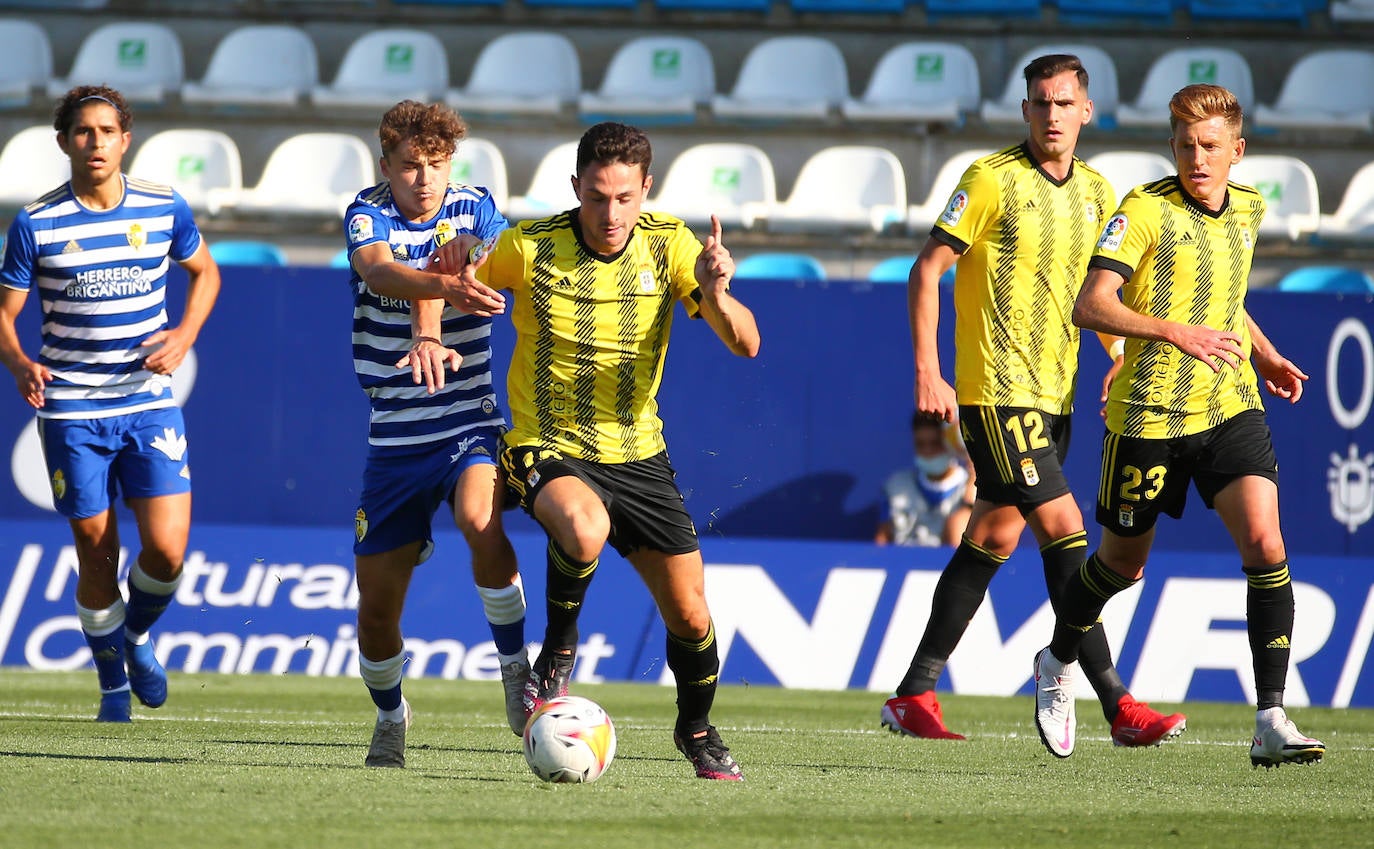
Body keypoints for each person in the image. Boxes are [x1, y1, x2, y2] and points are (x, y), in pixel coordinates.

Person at [435, 121, 760, 780]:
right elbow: (447, 270)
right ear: (575, 187)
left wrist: (718, 292)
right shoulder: (531, 247)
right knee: (585, 527)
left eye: (624, 198)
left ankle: (695, 729)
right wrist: (443, 294)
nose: (610, 214)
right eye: (596, 197)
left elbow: (747, 342)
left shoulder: (672, 245)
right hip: (542, 442)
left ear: (645, 190)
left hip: (639, 454)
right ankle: (557, 652)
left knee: (692, 614)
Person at [880, 54, 1187, 751]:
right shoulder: (992, 179)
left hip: (1057, 396)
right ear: (1026, 110)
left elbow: (1104, 294)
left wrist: (1114, 356)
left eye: (1064, 103)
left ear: (1087, 112)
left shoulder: (1099, 192)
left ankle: (913, 691)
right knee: (1063, 523)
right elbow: (927, 268)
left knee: (994, 533)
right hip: (995, 392)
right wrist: (930, 371)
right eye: (1040, 103)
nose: (1051, 115)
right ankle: (1114, 700)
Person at [1034, 83, 1325, 767]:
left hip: (1229, 404)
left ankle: (1270, 717)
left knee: (1265, 541)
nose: (1198, 158)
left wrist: (1264, 351)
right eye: (1186, 145)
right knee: (1120, 565)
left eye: (1211, 146)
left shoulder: (1250, 209)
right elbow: (1091, 304)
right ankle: (1057, 657)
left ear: (1237, 152)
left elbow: (1225, 297)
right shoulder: (1144, 211)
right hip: (1149, 415)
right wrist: (1173, 333)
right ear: (1172, 147)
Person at [0, 85, 221, 722]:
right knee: (98, 552)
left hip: (148, 401)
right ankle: (111, 688)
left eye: (106, 131)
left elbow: (206, 272)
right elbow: (5, 314)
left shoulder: (161, 207)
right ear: (64, 141)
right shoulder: (36, 222)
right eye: (82, 132)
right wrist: (18, 361)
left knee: (169, 551)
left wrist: (183, 335)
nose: (95, 143)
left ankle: (136, 637)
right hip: (71, 408)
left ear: (126, 139)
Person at [343, 100, 529, 768]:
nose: (426, 179)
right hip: (394, 435)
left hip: (468, 419)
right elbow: (382, 270)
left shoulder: (474, 204)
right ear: (386, 165)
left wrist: (453, 280)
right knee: (375, 612)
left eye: (438, 164)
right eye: (411, 166)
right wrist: (432, 303)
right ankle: (392, 716)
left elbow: (472, 255)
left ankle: (516, 671)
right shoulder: (366, 212)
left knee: (483, 519)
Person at [875, 413, 974, 547]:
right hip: (902, 564)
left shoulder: (972, 487)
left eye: (935, 443)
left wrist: (969, 502)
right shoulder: (895, 486)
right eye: (920, 444)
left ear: (949, 443)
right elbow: (882, 541)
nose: (928, 451)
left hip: (949, 565)